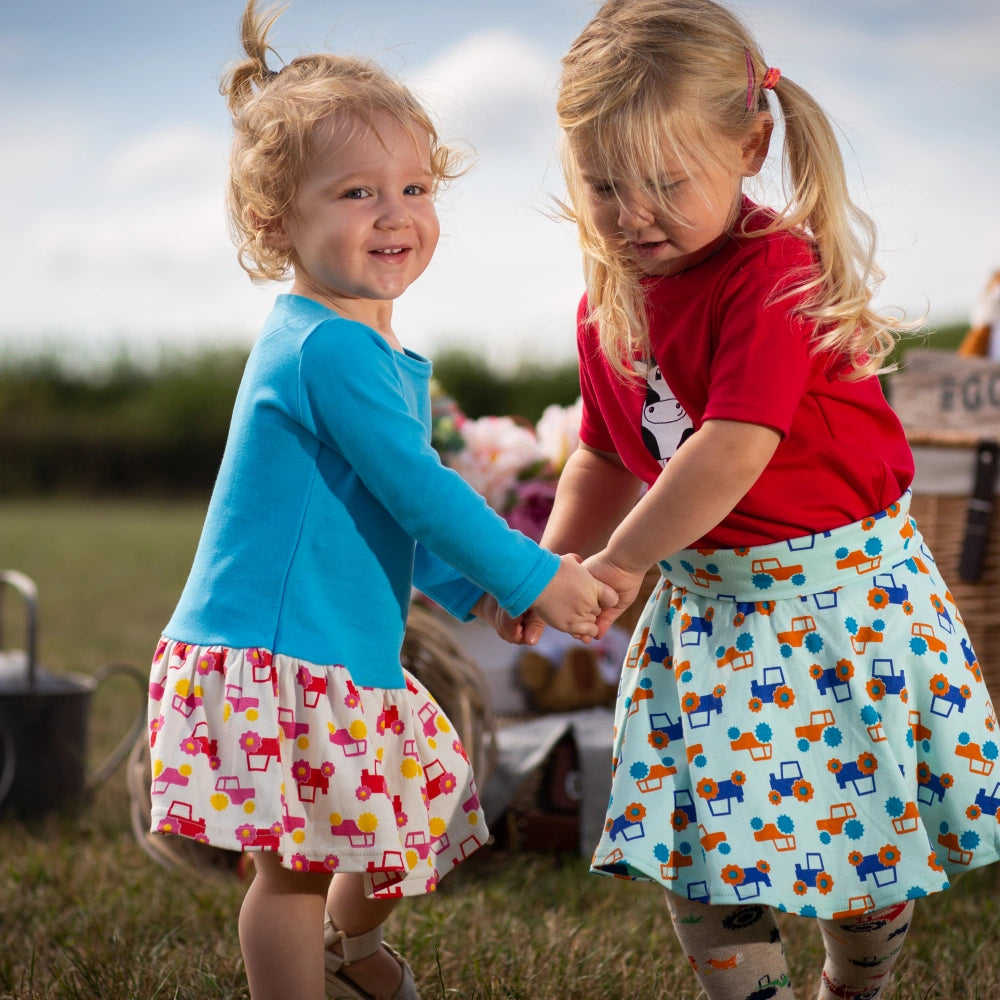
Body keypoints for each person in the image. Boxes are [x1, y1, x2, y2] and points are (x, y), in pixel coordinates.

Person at [513, 1, 1000, 998]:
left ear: (749, 147)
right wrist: (546, 565)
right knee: (703, 853)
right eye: (603, 184)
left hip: (839, 609)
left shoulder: (772, 269)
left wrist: (621, 562)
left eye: (662, 183)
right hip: (710, 615)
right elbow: (604, 450)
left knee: (859, 864)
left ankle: (852, 981)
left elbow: (731, 448)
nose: (630, 214)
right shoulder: (605, 293)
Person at [145, 4, 616, 999]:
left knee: (425, 796)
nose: (392, 212)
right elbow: (419, 487)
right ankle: (315, 968)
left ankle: (349, 955)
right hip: (274, 653)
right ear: (279, 223)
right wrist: (536, 576)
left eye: (411, 186)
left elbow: (391, 510)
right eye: (356, 192)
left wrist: (477, 593)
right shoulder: (324, 346)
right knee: (296, 868)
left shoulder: (373, 351)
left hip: (337, 651)